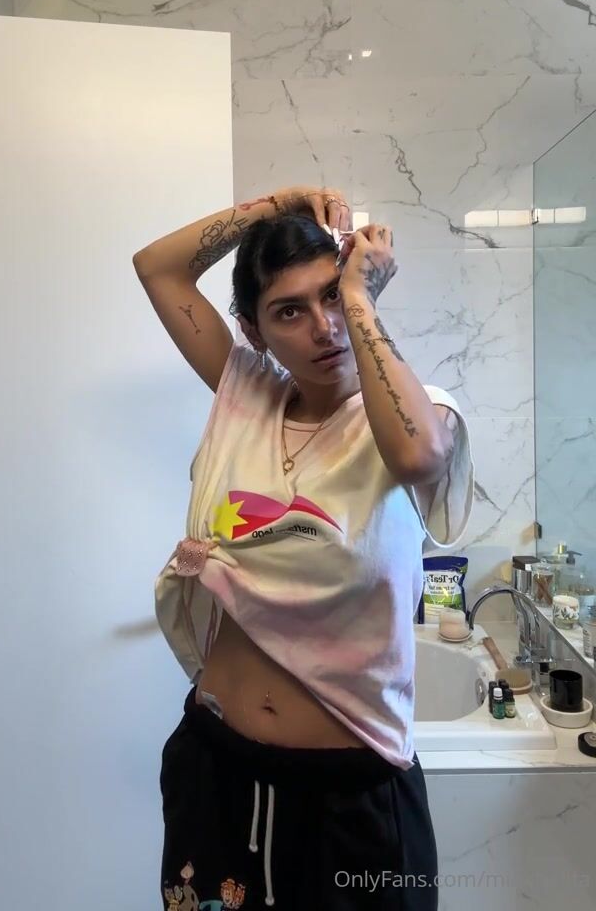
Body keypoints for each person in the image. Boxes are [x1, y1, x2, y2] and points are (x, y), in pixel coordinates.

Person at [132, 186, 475, 911]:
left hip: (350, 799)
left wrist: (360, 300)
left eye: (332, 298)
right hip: (216, 770)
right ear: (253, 332)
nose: (324, 328)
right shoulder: (245, 397)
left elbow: (417, 457)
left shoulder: (421, 413)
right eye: (289, 311)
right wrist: (278, 204)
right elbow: (158, 267)